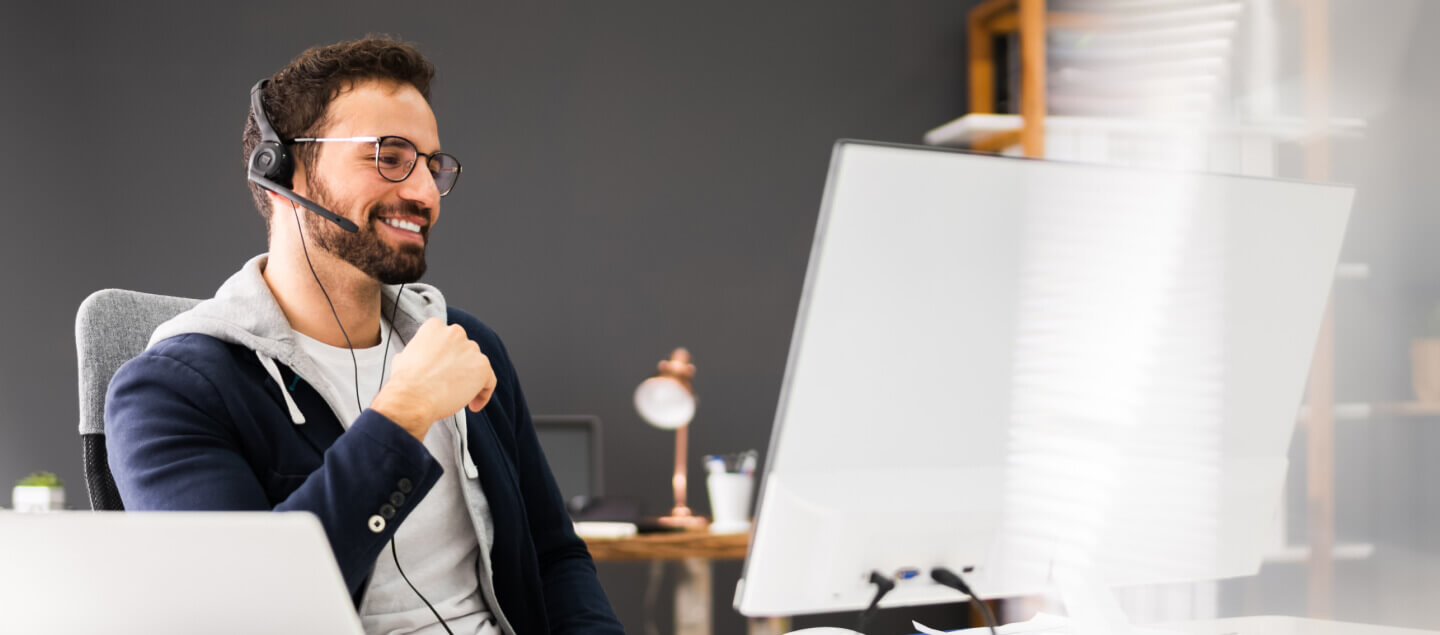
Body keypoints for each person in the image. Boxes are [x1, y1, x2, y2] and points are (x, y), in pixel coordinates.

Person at [105, 37, 623, 635]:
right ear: (283, 168)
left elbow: (556, 557)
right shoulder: (171, 392)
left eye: (432, 165)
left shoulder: (461, 344)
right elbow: (241, 614)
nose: (425, 192)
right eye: (390, 156)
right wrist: (402, 413)